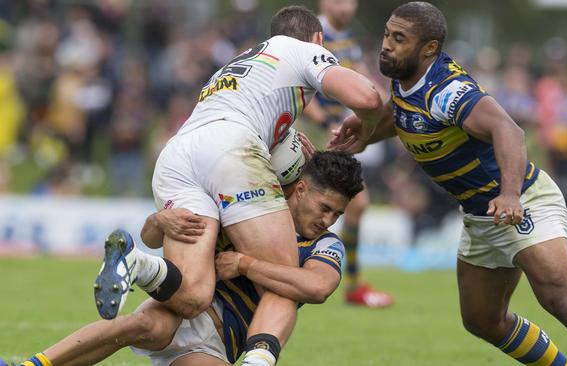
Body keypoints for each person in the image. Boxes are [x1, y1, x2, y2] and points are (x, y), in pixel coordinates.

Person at [328, 2, 567, 366]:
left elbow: (508, 129)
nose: (387, 45)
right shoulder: (406, 76)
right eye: (386, 35)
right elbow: (403, 114)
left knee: (564, 300)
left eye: (399, 38)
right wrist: (366, 132)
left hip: (521, 201)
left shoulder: (448, 91)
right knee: (483, 319)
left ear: (429, 48)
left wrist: (510, 195)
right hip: (482, 215)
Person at [92, 5, 383, 366]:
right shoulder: (305, 50)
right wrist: (366, 126)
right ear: (318, 39)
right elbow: (368, 97)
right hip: (231, 148)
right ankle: (258, 360)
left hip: (178, 154)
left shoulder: (240, 61)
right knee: (286, 275)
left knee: (194, 293)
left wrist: (284, 137)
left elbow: (243, 110)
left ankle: (138, 264)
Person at [8, 148, 363, 366]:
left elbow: (318, 287)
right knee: (139, 325)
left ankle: (141, 267)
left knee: (290, 287)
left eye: (336, 215)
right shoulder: (248, 210)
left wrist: (245, 264)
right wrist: (157, 220)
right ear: (300, 189)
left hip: (217, 344)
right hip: (183, 309)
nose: (327, 220)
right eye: (325, 208)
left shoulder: (324, 245)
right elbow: (154, 236)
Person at [302, 0, 393, 308]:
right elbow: (299, 87)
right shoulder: (312, 34)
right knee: (342, 202)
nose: (345, 6)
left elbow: (362, 76)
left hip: (338, 132)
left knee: (355, 205)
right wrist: (325, 122)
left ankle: (349, 282)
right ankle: (343, 281)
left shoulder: (348, 37)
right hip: (317, 132)